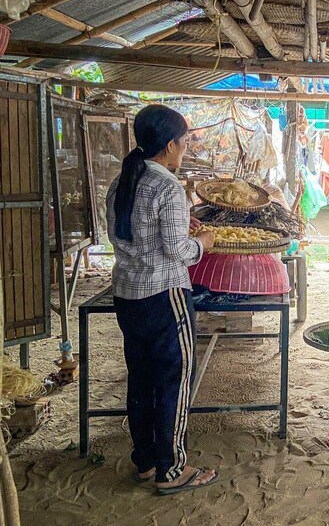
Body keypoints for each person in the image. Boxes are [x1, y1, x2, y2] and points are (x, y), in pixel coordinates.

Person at [107, 104, 219, 495]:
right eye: (185, 141)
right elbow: (177, 252)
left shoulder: (122, 181)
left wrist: (177, 228)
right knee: (174, 380)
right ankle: (172, 470)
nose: (185, 148)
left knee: (142, 379)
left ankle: (146, 462)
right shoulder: (167, 186)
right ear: (170, 145)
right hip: (164, 296)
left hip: (128, 295)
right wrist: (202, 242)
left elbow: (127, 236)